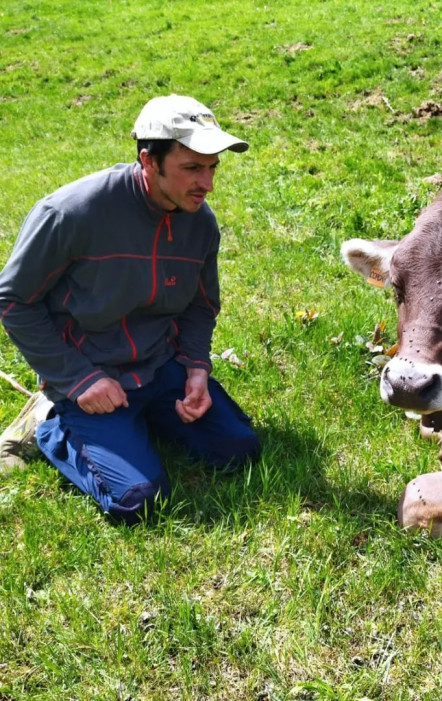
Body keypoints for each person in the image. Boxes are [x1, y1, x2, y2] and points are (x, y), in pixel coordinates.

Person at [0, 94, 261, 524]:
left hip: (159, 368)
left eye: (213, 167)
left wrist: (196, 366)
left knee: (239, 451)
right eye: (192, 168)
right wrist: (79, 379)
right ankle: (52, 423)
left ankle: (136, 428)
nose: (208, 184)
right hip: (91, 375)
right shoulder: (70, 215)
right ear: (149, 161)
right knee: (139, 501)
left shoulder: (200, 222)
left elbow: (199, 304)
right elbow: (13, 301)